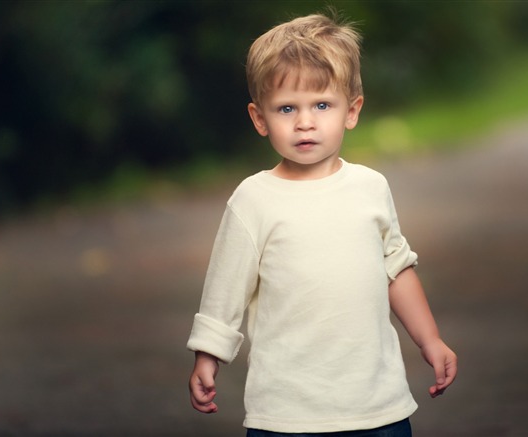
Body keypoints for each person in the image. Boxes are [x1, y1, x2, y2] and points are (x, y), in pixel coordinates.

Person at [187, 12, 457, 437]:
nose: (305, 122)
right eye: (287, 108)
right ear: (260, 119)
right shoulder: (254, 200)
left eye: (322, 105)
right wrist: (208, 356)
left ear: (352, 111)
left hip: (376, 406)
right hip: (286, 412)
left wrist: (430, 340)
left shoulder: (370, 187)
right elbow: (225, 285)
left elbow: (396, 269)